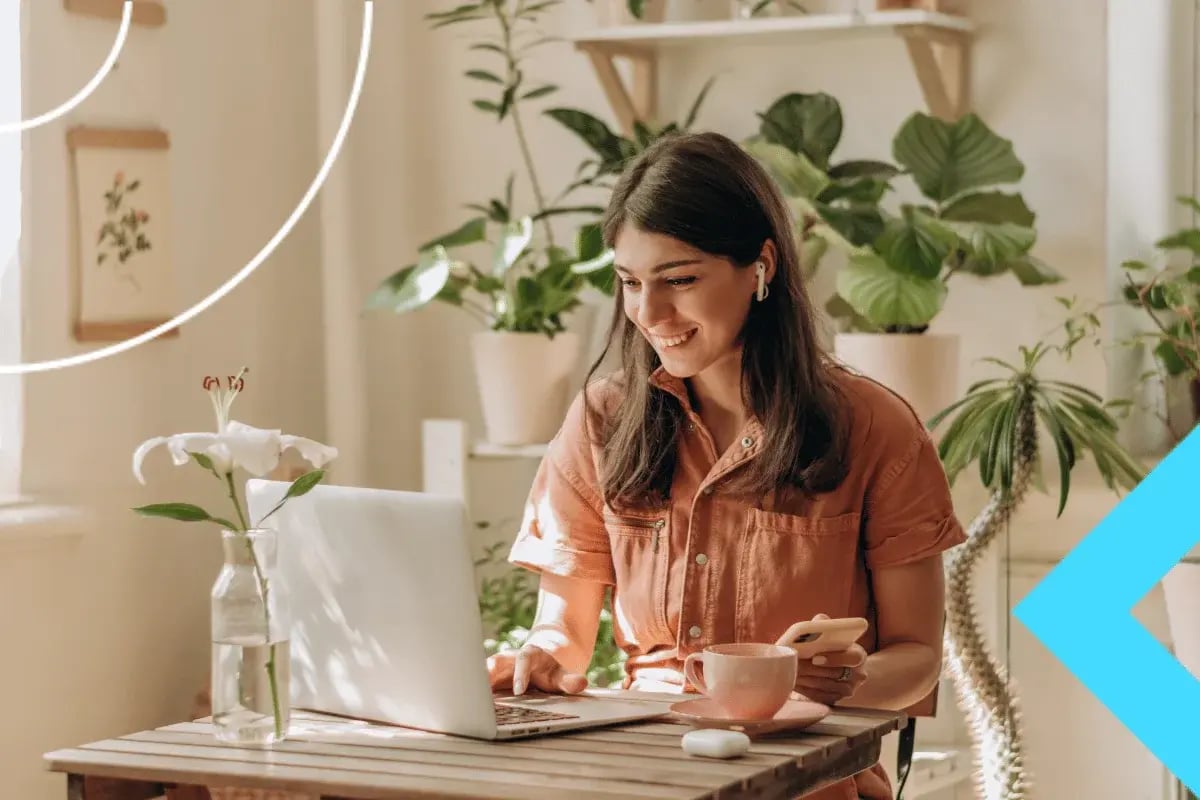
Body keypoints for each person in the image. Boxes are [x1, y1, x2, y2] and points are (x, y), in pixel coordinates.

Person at [486, 130, 967, 800]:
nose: (649, 314)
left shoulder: (873, 427)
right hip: (640, 773)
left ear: (761, 266)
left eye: (679, 280)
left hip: (805, 779)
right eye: (629, 282)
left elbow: (918, 657)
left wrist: (842, 680)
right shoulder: (604, 418)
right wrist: (538, 660)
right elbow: (563, 634)